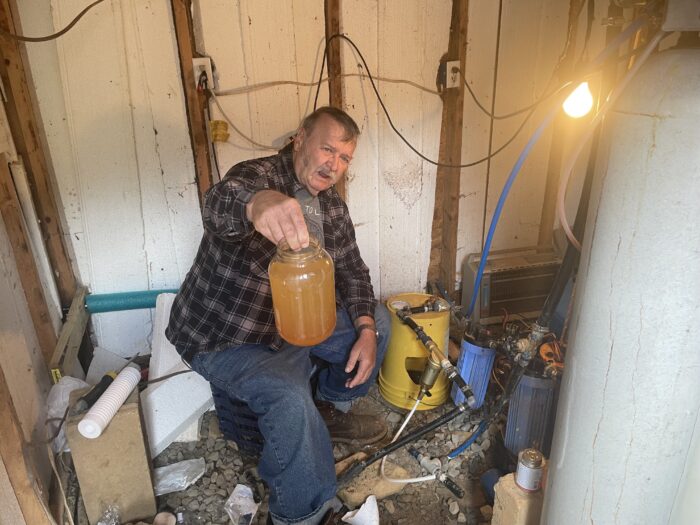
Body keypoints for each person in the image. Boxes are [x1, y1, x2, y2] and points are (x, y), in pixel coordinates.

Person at [166, 106, 391, 525]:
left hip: (294, 324)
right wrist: (257, 205)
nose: (333, 165)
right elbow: (219, 202)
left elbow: (354, 272)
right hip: (226, 335)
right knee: (288, 398)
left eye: (344, 158)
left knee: (377, 322)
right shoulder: (257, 177)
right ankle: (301, 514)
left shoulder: (332, 210)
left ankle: (328, 408)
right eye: (327, 149)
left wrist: (364, 329)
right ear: (300, 138)